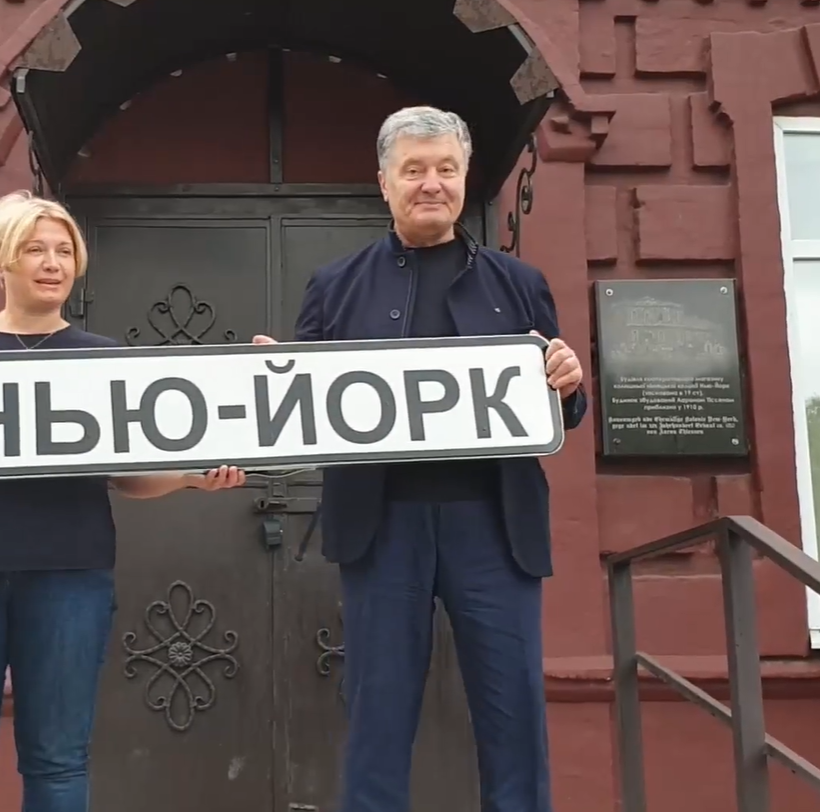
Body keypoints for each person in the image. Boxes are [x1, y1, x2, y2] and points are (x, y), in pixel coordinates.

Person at [0, 190, 247, 812]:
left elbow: (126, 476)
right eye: (34, 249)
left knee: (58, 762)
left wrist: (188, 479)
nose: (52, 263)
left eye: (64, 250)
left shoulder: (104, 359)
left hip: (69, 578)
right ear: (1, 261)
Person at [254, 106, 586, 812]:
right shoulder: (335, 286)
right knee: (377, 717)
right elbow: (301, 415)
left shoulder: (519, 284)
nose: (430, 183)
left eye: (445, 169)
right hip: (382, 530)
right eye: (413, 170)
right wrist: (274, 382)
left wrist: (566, 382)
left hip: (495, 529)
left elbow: (558, 413)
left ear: (464, 178)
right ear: (385, 183)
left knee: (514, 716)